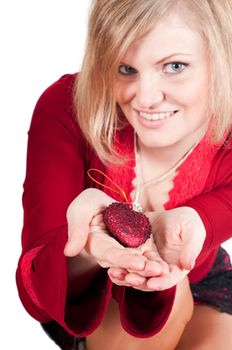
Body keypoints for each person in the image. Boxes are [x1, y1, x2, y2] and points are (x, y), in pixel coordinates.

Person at [16, 0, 232, 349]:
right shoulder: (64, 109)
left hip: (203, 278)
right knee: (164, 285)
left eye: (174, 66)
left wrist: (199, 219)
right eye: (125, 68)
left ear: (221, 57)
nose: (145, 98)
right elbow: (35, 295)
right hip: (86, 294)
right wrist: (85, 246)